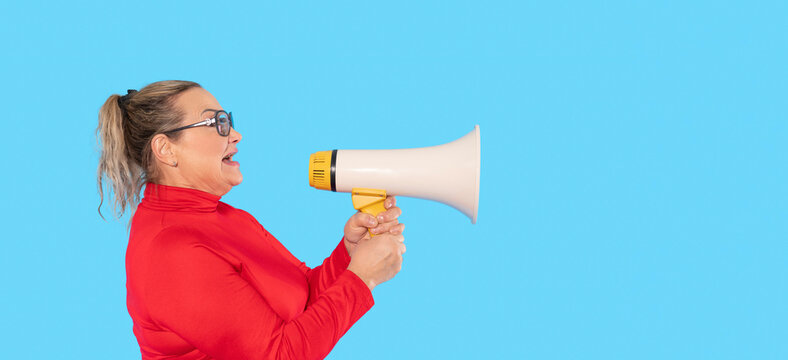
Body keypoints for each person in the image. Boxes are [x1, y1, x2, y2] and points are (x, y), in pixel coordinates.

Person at [96, 80, 406, 360]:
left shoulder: (225, 217)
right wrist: (361, 279)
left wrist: (348, 255)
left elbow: (304, 297)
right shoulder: (170, 251)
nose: (236, 135)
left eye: (228, 121)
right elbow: (278, 355)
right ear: (166, 149)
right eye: (217, 123)